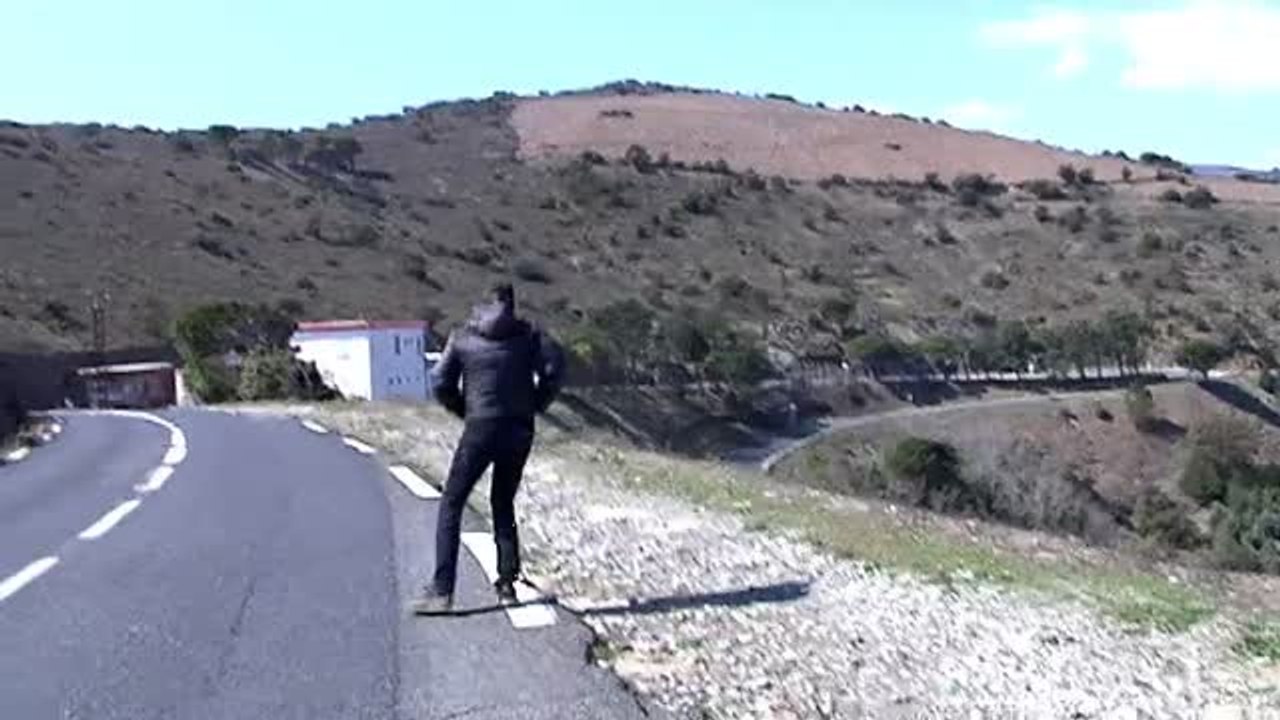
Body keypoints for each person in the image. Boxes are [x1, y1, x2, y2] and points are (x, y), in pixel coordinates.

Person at [412, 282, 566, 615]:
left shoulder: (463, 337)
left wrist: (463, 410)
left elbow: (440, 381)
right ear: (512, 303)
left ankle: (442, 591)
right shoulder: (529, 335)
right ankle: (507, 583)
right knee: (502, 500)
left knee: (452, 501)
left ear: (482, 303)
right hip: (519, 427)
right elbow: (555, 370)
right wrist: (535, 405)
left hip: (480, 426)